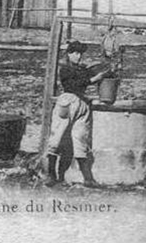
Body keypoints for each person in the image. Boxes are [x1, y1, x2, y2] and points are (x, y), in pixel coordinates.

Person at [44, 40, 108, 188]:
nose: (78, 56)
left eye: (80, 53)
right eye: (75, 53)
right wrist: (93, 79)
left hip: (82, 104)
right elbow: (75, 85)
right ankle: (51, 176)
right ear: (69, 54)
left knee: (80, 139)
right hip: (67, 101)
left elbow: (94, 71)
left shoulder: (81, 68)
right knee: (57, 137)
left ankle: (88, 178)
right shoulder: (65, 69)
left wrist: (107, 70)